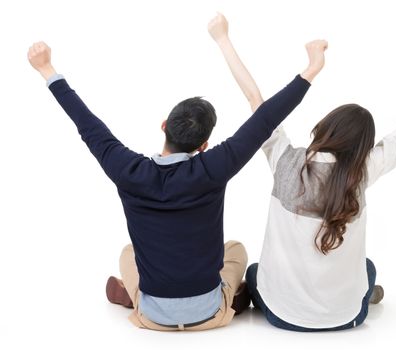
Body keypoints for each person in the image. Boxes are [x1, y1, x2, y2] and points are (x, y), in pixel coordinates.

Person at [208, 13, 396, 332]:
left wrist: (223, 39)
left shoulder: (284, 160)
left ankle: (289, 295)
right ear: (362, 149)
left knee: (255, 273)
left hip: (281, 316)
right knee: (367, 268)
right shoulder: (363, 170)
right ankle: (356, 296)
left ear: (323, 129)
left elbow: (255, 100)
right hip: (347, 318)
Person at [26, 32, 326, 331]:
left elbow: (87, 124)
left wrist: (47, 69)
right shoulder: (213, 167)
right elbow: (265, 121)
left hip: (152, 317)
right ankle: (230, 299)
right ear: (204, 145)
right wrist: (310, 70)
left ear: (163, 126)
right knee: (235, 250)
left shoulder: (128, 170)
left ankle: (134, 295)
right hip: (209, 314)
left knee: (128, 253)